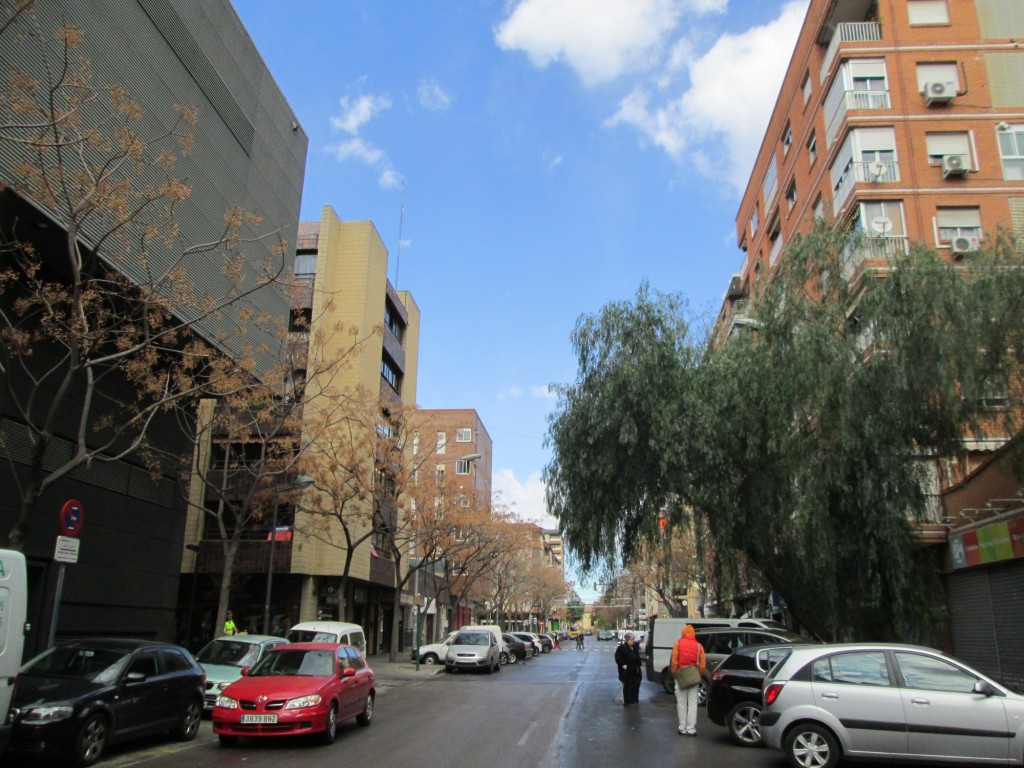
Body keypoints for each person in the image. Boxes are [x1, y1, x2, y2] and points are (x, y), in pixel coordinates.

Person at [670, 624, 706, 735]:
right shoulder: (699, 646)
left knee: (681, 704)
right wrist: (698, 674)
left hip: (681, 676)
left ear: (683, 633)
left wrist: (674, 673)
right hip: (693, 676)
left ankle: (682, 728)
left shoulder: (678, 643)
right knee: (693, 703)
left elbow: (674, 661)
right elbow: (702, 664)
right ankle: (691, 729)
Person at [614, 631, 643, 707]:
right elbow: (617, 657)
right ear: (627, 640)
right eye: (631, 639)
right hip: (627, 671)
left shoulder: (635, 648)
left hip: (635, 670)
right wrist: (622, 664)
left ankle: (635, 700)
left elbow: (638, 658)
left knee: (636, 685)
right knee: (628, 686)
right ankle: (628, 702)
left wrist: (640, 665)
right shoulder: (622, 648)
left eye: (633, 639)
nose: (633, 641)